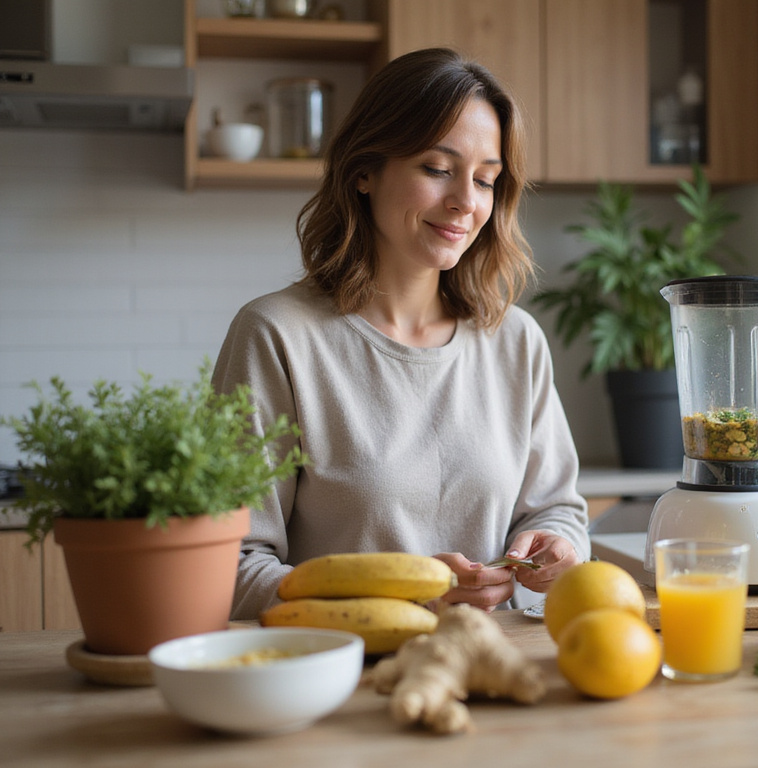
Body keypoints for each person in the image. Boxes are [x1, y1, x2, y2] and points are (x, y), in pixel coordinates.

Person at [213, 47, 590, 620]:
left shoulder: (516, 341)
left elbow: (556, 513)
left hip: (493, 673)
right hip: (341, 680)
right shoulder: (277, 337)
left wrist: (556, 552)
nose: (466, 201)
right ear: (364, 171)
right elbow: (230, 567)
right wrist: (397, 595)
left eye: (486, 180)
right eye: (437, 169)